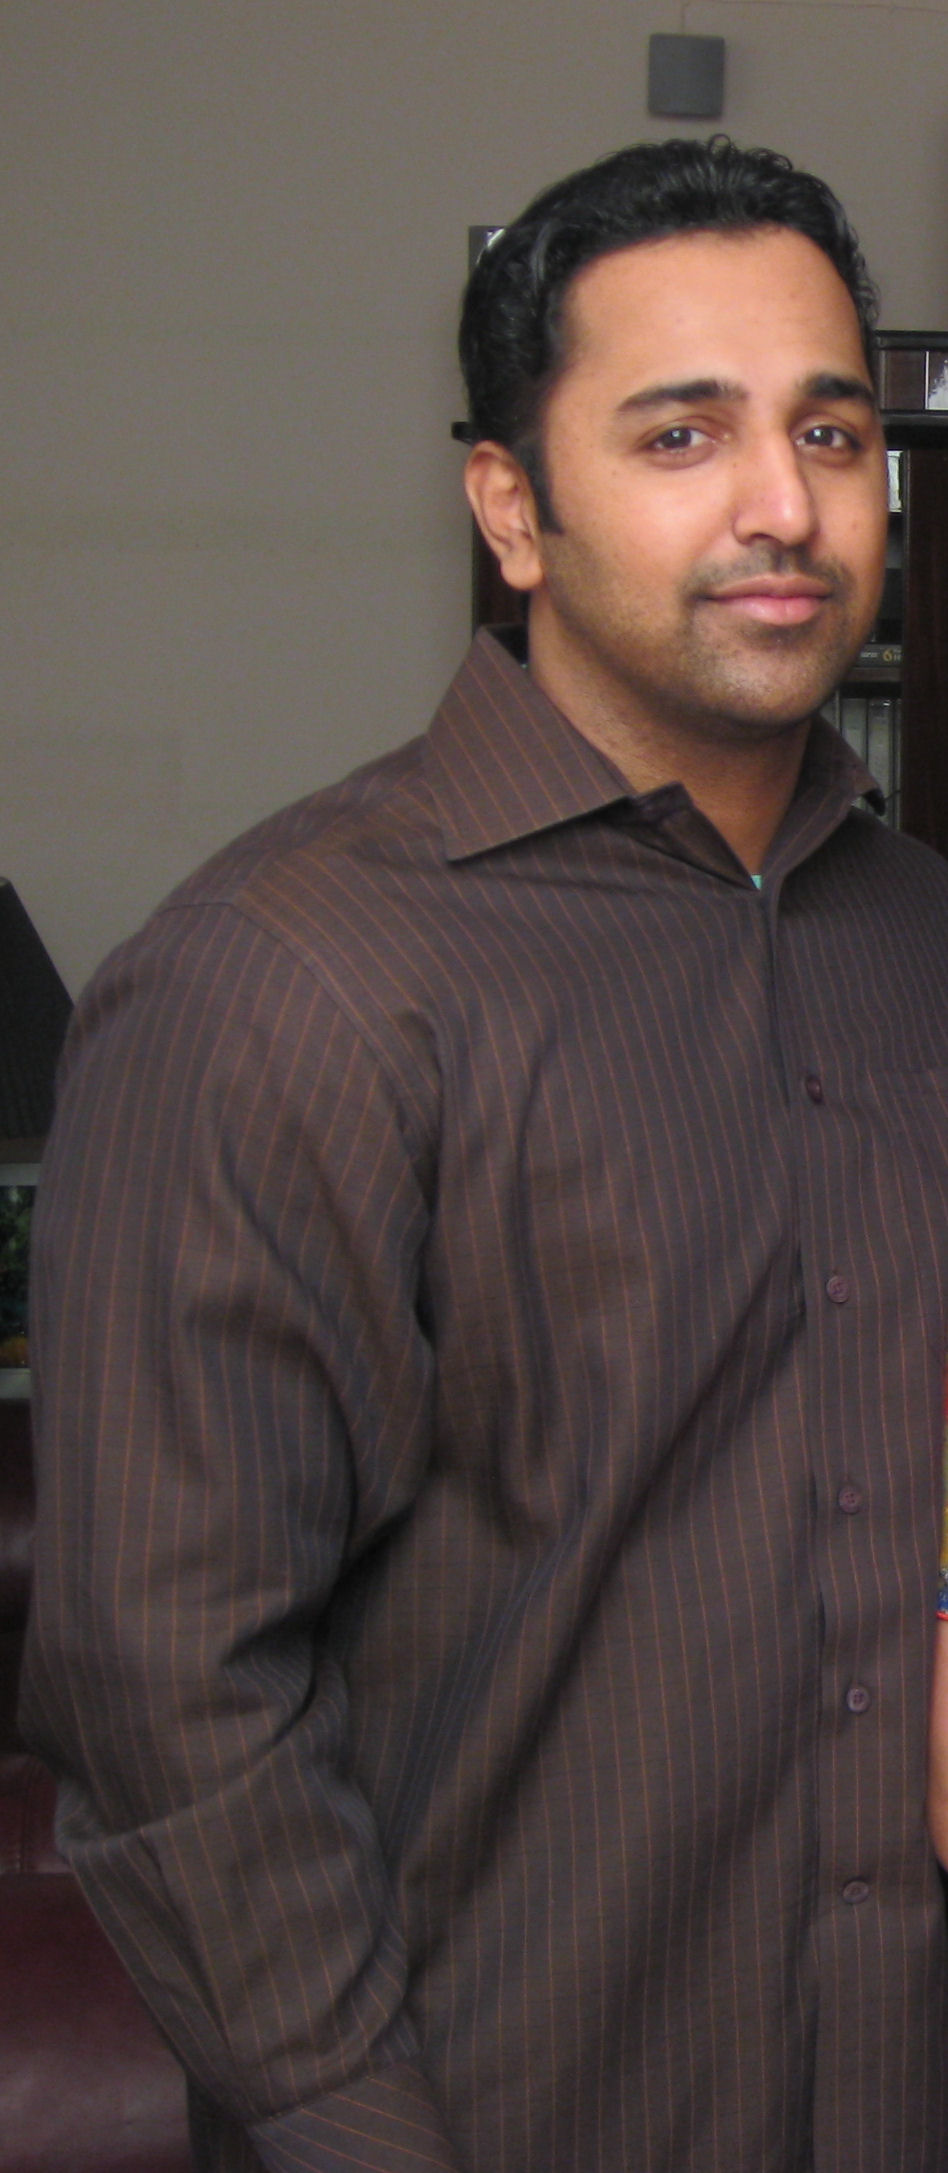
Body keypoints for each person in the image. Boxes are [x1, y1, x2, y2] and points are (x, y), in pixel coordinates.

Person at [20, 135, 948, 2173]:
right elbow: (169, 1694)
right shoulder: (286, 979)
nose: (784, 503)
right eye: (681, 434)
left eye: (829, 428)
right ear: (512, 508)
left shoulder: (924, 945)